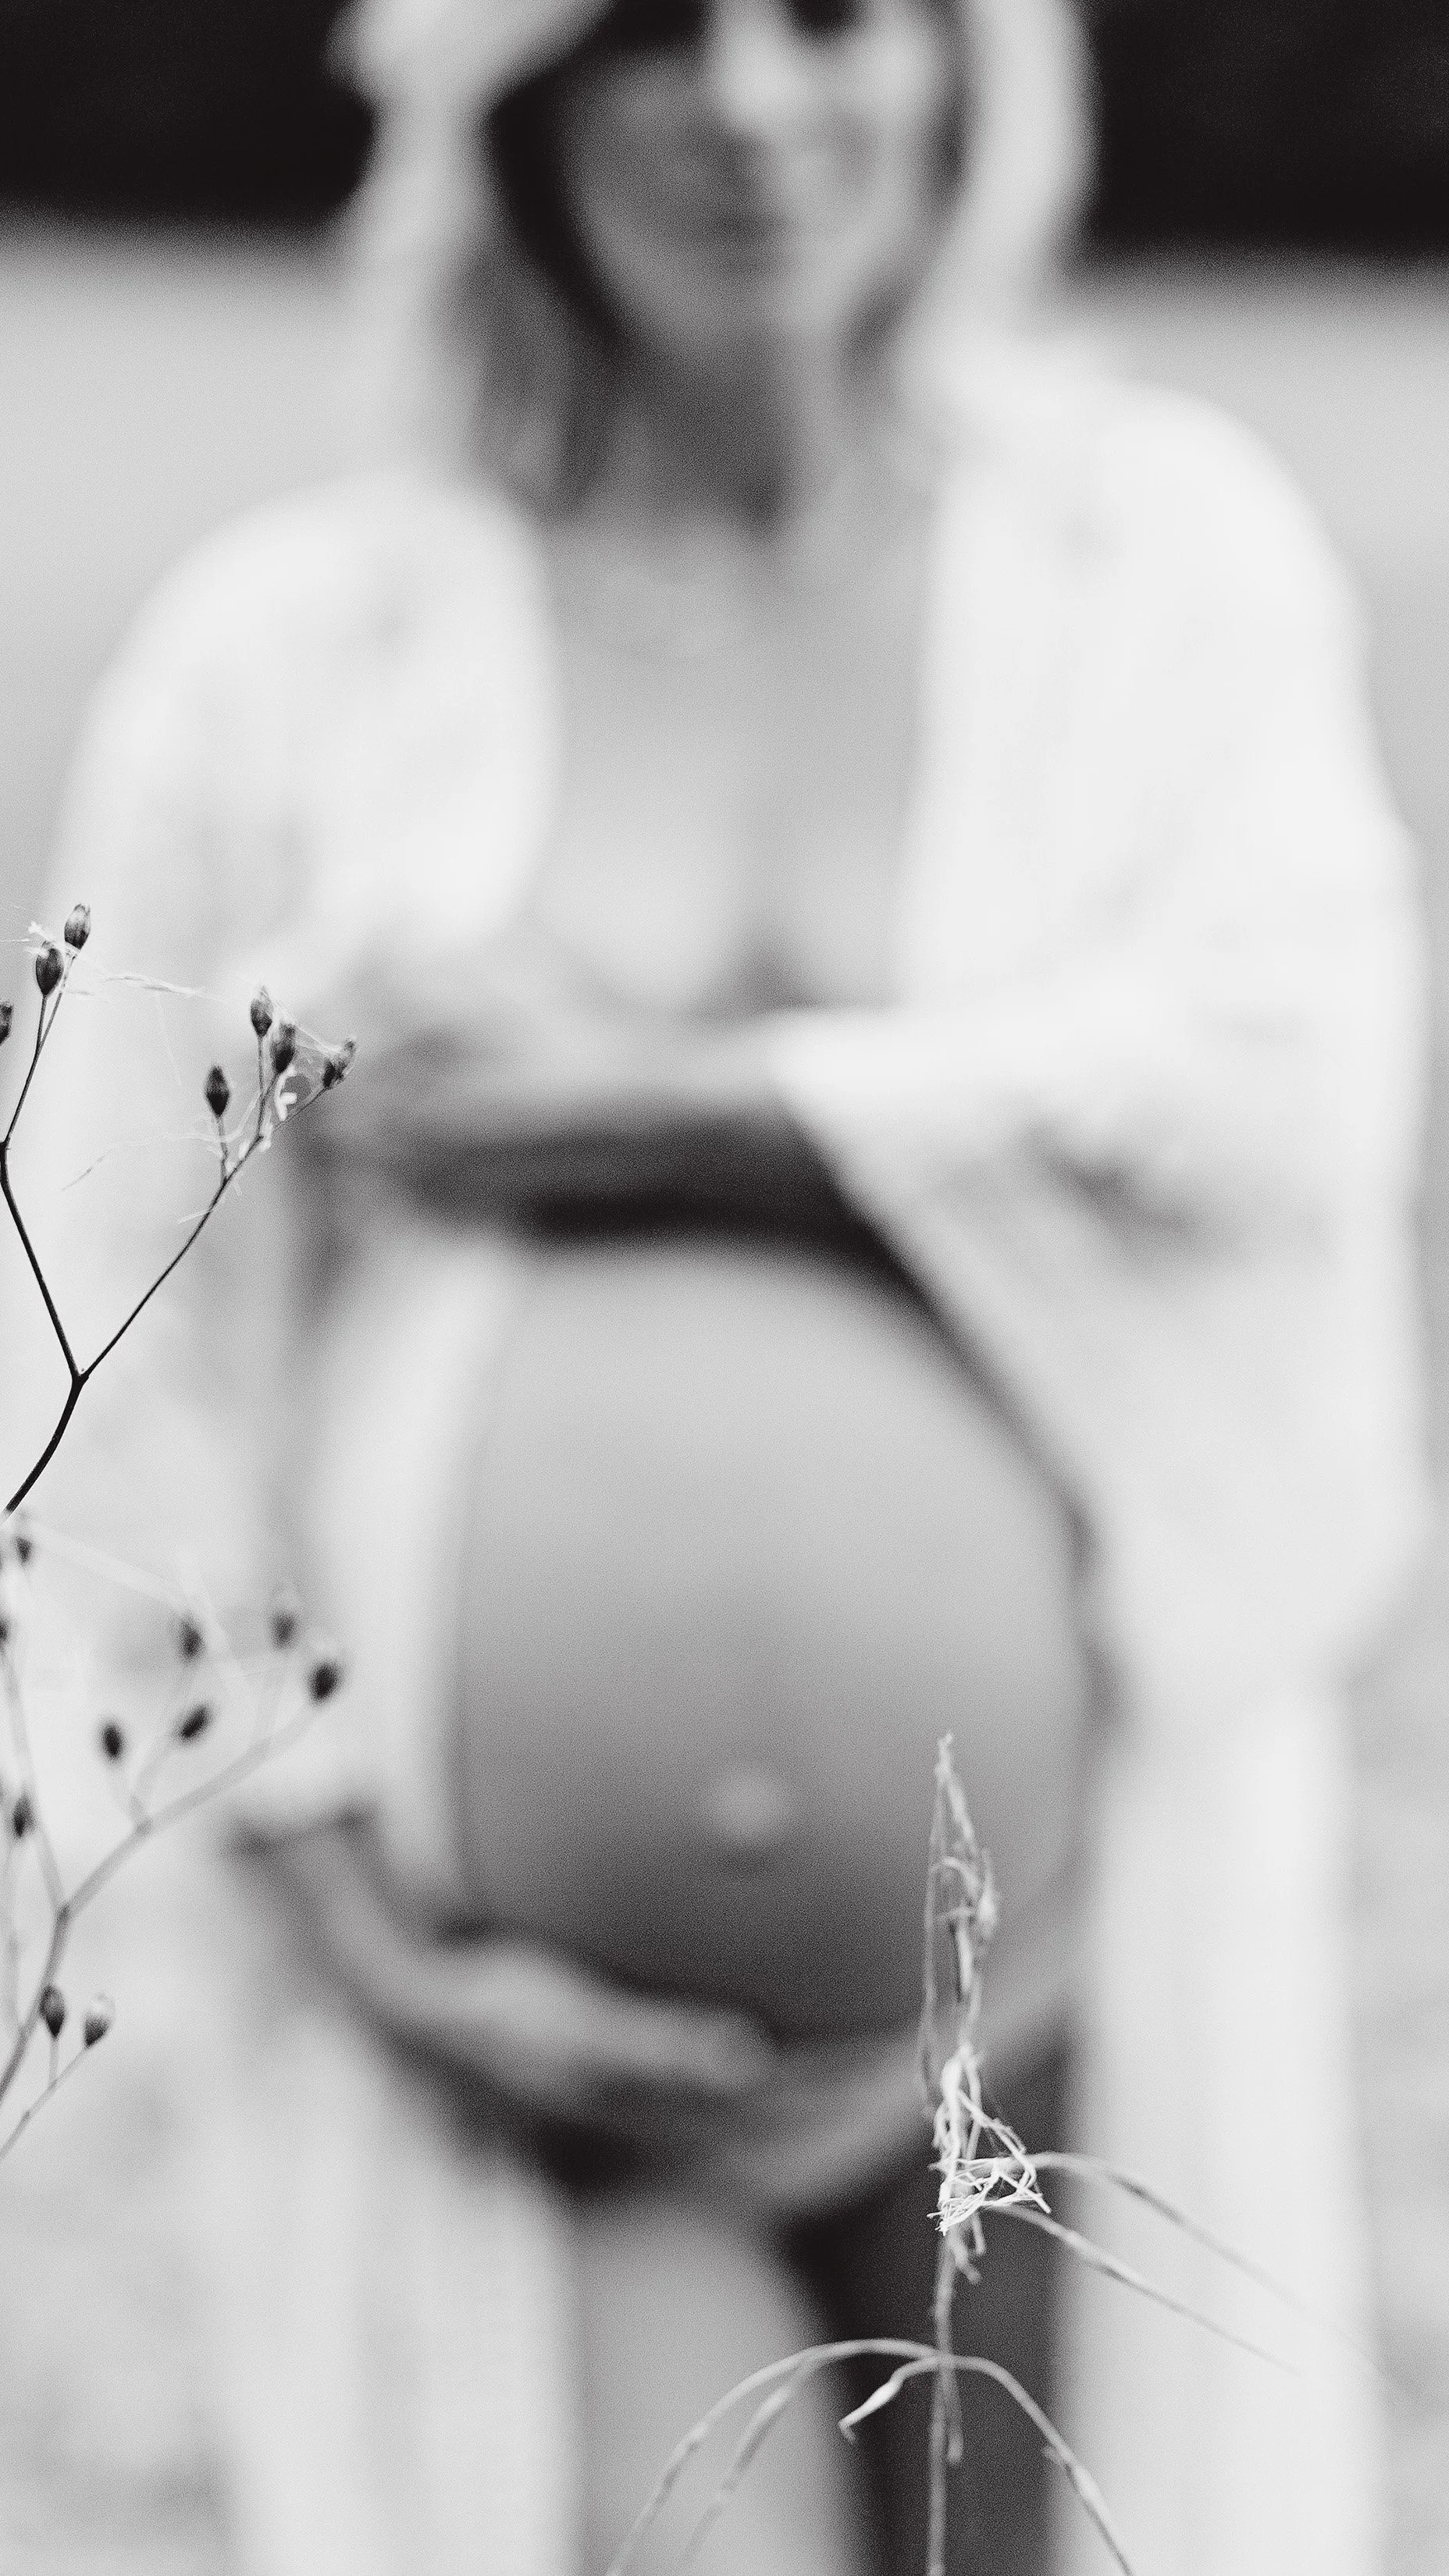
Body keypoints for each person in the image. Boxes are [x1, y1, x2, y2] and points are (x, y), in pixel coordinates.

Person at [18, 0, 1425, 2567]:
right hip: (538, 2046)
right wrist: (353, 1913)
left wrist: (672, 1108)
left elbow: (1282, 1090)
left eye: (833, 12)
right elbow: (105, 1324)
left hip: (1086, 1965)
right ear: (509, 95)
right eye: (654, 20)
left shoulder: (1158, 571)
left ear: (967, 69)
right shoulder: (298, 655)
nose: (757, 104)